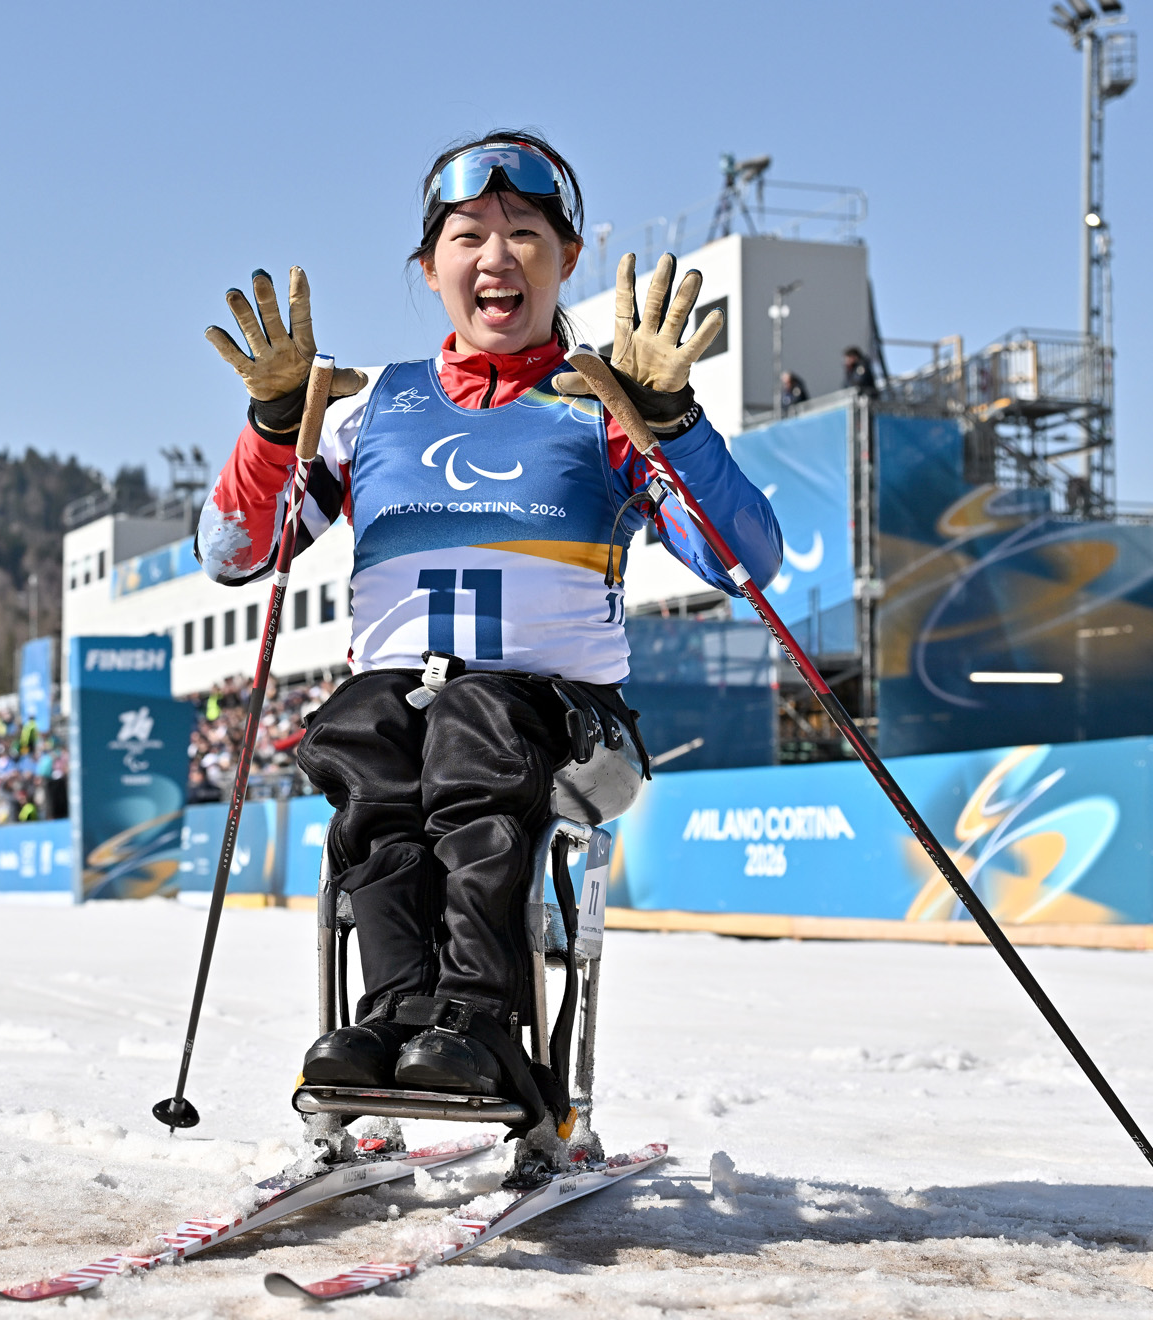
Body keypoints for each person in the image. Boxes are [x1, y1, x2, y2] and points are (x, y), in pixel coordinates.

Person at [198, 132, 782, 1122]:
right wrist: (267, 428)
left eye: (524, 233)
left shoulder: (597, 408)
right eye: (467, 235)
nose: (495, 256)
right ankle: (391, 1019)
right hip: (405, 705)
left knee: (468, 720)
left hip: (565, 723)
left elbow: (741, 563)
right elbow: (232, 552)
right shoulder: (365, 409)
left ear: (567, 259)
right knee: (365, 728)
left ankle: (480, 1022)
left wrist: (670, 419)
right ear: (430, 270)